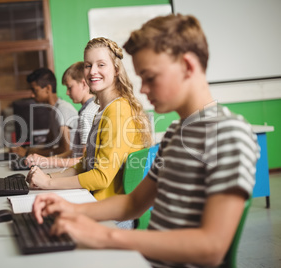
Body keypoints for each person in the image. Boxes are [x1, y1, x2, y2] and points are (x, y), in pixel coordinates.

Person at [31, 14, 260, 267]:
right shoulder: (176, 134)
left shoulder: (228, 133)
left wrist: (106, 235)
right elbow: (134, 202)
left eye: (150, 77)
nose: (142, 89)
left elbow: (212, 249)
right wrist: (69, 209)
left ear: (188, 66)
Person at [26, 37, 152, 202]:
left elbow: (101, 177)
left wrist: (48, 182)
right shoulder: (103, 109)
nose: (92, 71)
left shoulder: (117, 111)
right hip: (96, 199)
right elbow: (84, 165)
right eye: (88, 65)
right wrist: (46, 177)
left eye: (101, 65)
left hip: (109, 207)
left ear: (116, 70)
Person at [26, 62, 99, 168]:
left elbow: (84, 160)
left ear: (84, 84)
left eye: (69, 87)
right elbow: (74, 152)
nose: (67, 93)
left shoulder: (87, 113)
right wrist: (43, 159)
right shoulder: (88, 110)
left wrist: (46, 161)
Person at [10, 68, 78, 157]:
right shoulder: (53, 110)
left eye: (35, 90)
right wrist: (25, 149)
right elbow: (48, 143)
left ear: (48, 88)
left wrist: (28, 153)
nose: (32, 95)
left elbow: (65, 149)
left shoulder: (62, 109)